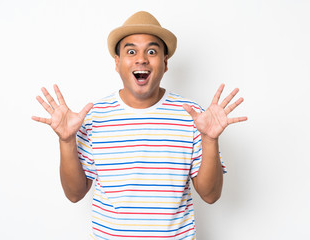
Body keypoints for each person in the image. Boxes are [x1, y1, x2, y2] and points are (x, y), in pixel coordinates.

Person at [32, 11, 247, 240]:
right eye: (131, 51)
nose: (141, 59)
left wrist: (210, 139)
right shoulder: (94, 116)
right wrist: (66, 141)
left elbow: (210, 195)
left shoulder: (193, 116)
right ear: (117, 63)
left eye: (152, 51)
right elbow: (74, 194)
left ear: (165, 63)